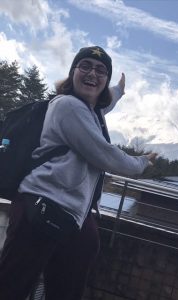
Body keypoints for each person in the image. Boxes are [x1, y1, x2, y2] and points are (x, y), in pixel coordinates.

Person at [0, 46, 156, 300]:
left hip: (69, 215)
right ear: (73, 73)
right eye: (85, 66)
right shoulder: (69, 107)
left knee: (78, 260)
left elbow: (106, 103)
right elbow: (106, 155)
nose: (92, 73)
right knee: (12, 287)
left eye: (101, 70)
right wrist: (142, 163)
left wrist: (119, 91)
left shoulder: (92, 111)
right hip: (40, 207)